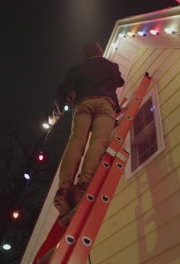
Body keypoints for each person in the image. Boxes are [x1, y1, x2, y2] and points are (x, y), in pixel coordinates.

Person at [50, 41, 125, 224]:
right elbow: (119, 81)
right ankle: (84, 184)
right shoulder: (110, 65)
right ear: (99, 51)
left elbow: (62, 91)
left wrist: (55, 115)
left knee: (76, 141)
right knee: (99, 141)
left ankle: (64, 188)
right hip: (105, 104)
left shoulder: (76, 69)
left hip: (83, 104)